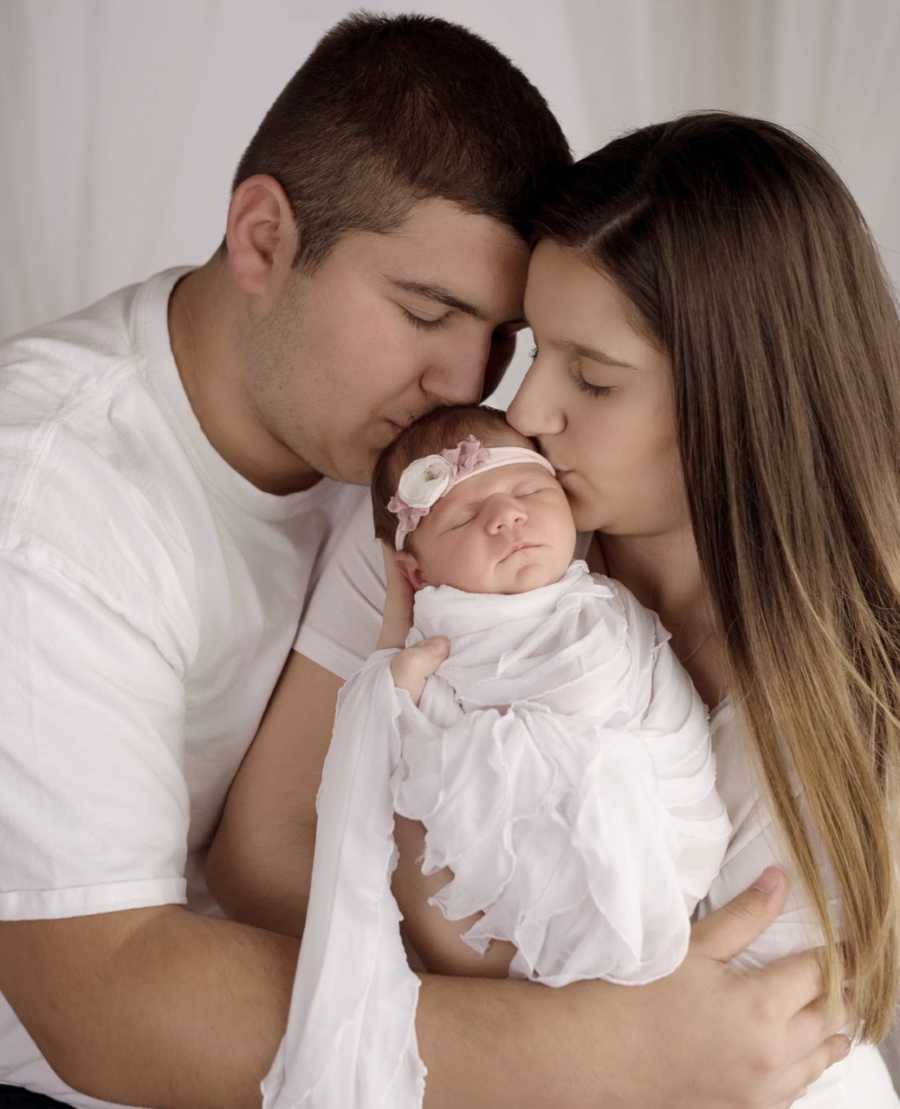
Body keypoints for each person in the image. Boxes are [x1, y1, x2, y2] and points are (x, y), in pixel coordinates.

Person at [0, 3, 847, 1102]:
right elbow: (111, 1001)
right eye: (425, 312)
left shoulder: (466, 490)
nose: (479, 391)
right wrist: (601, 1044)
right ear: (263, 238)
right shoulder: (48, 507)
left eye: (500, 337)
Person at [210, 112, 899, 1107]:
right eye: (535, 348)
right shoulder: (450, 530)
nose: (526, 412)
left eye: (593, 375)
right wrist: (577, 1030)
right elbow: (262, 850)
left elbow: (751, 1058)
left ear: (738, 399)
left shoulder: (840, 704)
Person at [261, 403, 733, 1107]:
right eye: (463, 518)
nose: (506, 519)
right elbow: (406, 755)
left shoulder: (602, 610)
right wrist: (407, 684)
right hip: (507, 925)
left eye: (530, 494)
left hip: (663, 848)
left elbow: (626, 698)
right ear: (415, 573)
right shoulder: (438, 640)